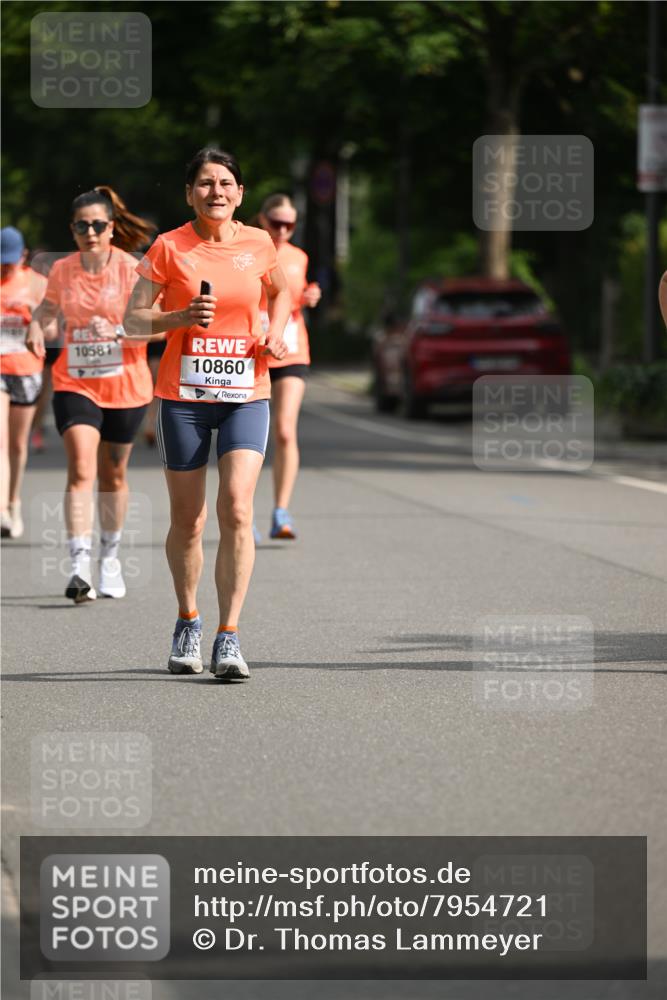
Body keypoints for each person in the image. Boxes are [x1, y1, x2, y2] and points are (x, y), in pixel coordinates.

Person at [124, 148, 291, 680]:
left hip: (247, 392)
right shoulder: (169, 247)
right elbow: (132, 320)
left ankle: (229, 635)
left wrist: (274, 331)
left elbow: (281, 293)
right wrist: (178, 316)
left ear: (239, 194)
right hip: (184, 399)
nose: (214, 192)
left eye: (224, 183)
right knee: (189, 521)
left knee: (238, 509)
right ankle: (188, 619)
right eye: (203, 184)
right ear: (189, 193)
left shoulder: (259, 243)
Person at [27, 186, 157, 602]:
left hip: (126, 385)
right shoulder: (63, 270)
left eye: (98, 224)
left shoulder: (134, 269)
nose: (90, 231)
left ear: (112, 227)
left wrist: (120, 330)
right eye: (82, 225)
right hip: (75, 381)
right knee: (82, 467)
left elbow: (163, 326)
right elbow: (46, 310)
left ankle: (110, 556)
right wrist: (36, 326)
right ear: (73, 230)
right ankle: (79, 564)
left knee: (113, 475)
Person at [256, 194, 321, 540]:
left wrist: (311, 296)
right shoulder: (248, 250)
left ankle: (281, 511)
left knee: (284, 431)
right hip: (253, 352)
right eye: (276, 222)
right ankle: (241, 510)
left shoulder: (299, 257)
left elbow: (301, 293)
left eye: (289, 224)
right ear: (261, 220)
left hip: (293, 350)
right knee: (248, 438)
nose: (282, 230)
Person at [0, 227, 47, 538]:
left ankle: (14, 501)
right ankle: (2, 508)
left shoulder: (38, 283)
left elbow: (55, 326)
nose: (5, 267)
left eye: (10, 261)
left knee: (18, 444)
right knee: (1, 442)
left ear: (24, 256)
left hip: (27, 368)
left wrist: (37, 321)